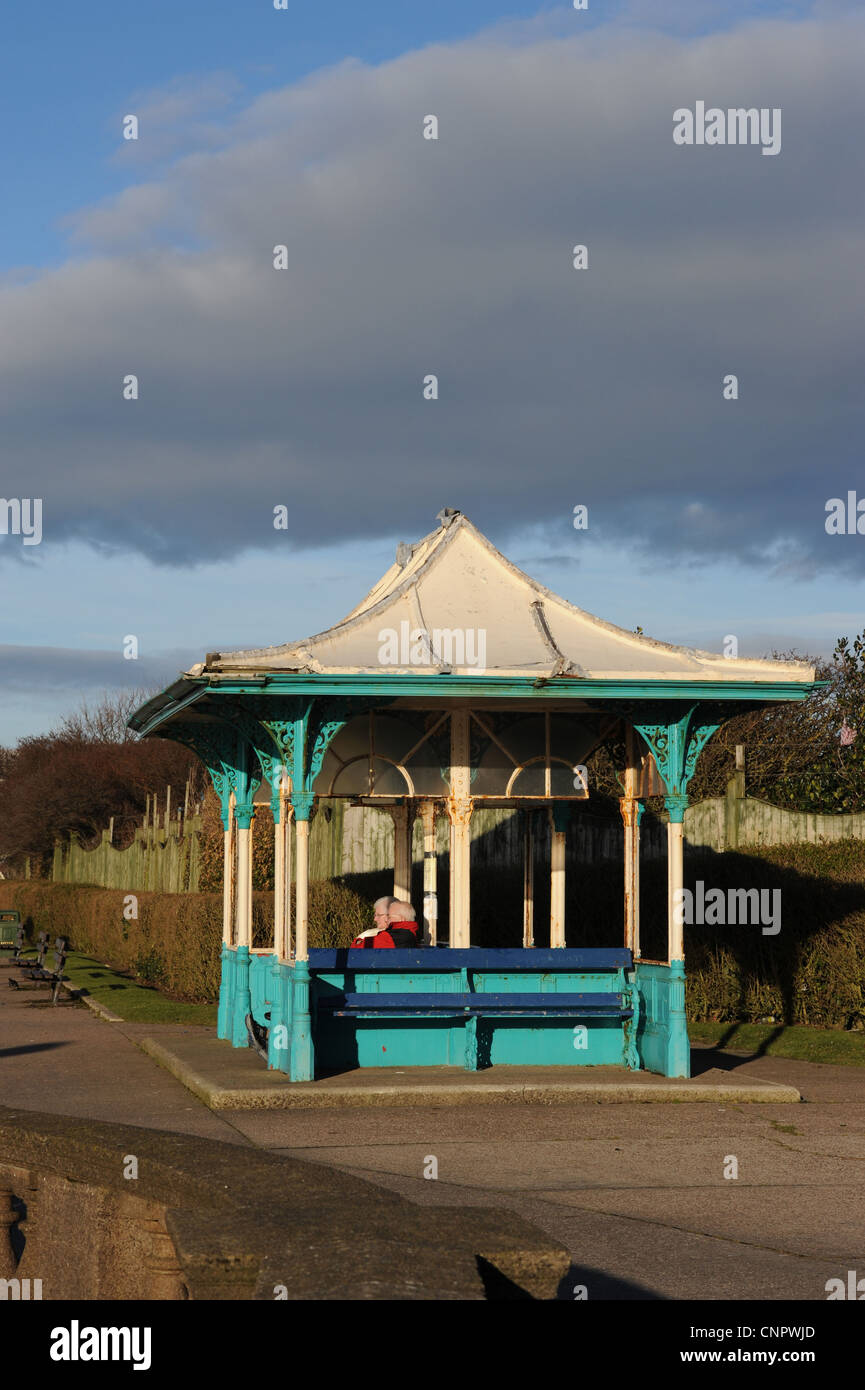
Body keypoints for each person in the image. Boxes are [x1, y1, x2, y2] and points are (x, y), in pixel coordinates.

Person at [351, 899, 424, 949]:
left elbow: (357, 948)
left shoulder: (396, 936)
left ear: (401, 919)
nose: (386, 919)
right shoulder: (413, 934)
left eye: (389, 916)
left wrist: (358, 941)